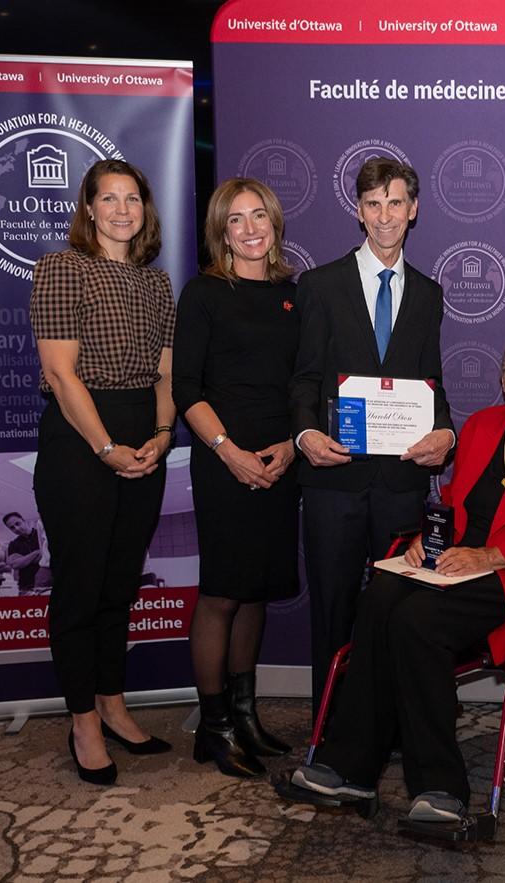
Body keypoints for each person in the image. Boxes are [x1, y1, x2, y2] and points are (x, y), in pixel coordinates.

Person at [292, 332, 505, 821]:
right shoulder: (483, 426)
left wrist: (493, 556)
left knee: (417, 620)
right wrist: (429, 538)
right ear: (501, 378)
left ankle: (441, 788)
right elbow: (458, 509)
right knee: (379, 596)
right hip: (459, 562)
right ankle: (349, 768)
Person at [289, 157, 455, 711]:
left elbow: (433, 382)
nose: (385, 216)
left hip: (399, 481)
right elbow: (304, 378)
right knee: (333, 609)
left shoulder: (429, 294)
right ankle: (330, 731)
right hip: (333, 480)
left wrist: (446, 433)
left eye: (396, 203)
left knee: (401, 611)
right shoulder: (319, 285)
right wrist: (305, 434)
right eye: (373, 204)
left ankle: (395, 724)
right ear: (359, 213)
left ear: (414, 210)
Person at [31, 158, 177, 786]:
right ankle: (83, 719)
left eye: (132, 199)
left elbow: (168, 374)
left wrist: (163, 436)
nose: (122, 209)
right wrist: (104, 447)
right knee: (81, 586)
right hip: (79, 441)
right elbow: (62, 375)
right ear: (88, 209)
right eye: (108, 199)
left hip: (145, 434)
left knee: (120, 583)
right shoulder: (62, 269)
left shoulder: (157, 284)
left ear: (145, 208)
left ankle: (115, 705)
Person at [173, 178, 300, 778]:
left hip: (277, 464)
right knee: (223, 592)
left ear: (274, 224)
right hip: (224, 462)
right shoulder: (203, 294)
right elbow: (186, 389)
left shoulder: (291, 296)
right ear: (220, 232)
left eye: (259, 217)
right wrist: (229, 452)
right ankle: (215, 725)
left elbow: (301, 386)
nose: (250, 230)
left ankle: (246, 716)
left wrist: (287, 449)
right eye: (235, 221)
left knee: (256, 592)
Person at [2, 512, 42, 592]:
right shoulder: (13, 544)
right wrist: (36, 553)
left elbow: (46, 555)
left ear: (24, 520)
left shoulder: (41, 535)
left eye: (18, 523)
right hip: (25, 585)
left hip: (45, 582)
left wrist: (23, 559)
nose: (16, 528)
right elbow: (15, 564)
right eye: (12, 528)